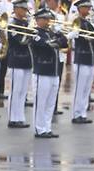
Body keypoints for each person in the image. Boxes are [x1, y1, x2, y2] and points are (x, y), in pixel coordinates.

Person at [30, 8, 67, 138]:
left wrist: (59, 33)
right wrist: (57, 40)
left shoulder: (51, 32)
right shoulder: (35, 33)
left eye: (48, 19)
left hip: (54, 71)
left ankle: (47, 127)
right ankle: (39, 129)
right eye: (44, 19)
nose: (47, 21)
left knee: (50, 102)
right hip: (42, 72)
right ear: (37, 20)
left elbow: (64, 43)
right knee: (41, 102)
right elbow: (45, 45)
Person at [67, 0, 94, 124]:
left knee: (86, 87)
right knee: (79, 87)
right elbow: (70, 36)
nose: (88, 10)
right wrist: (76, 33)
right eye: (86, 7)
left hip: (90, 58)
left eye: (89, 7)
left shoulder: (89, 21)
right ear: (80, 8)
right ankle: (76, 114)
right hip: (81, 57)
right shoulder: (76, 21)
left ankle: (82, 112)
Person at [6, 0, 31, 129]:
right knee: (15, 91)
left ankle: (20, 117)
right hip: (16, 60)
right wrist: (31, 33)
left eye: (25, 8)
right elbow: (21, 41)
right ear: (16, 9)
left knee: (22, 91)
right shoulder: (12, 24)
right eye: (22, 8)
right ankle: (12, 118)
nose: (25, 11)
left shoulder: (26, 23)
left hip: (26, 61)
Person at [46, 0, 66, 115]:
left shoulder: (61, 16)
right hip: (49, 53)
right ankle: (48, 107)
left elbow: (63, 33)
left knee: (56, 82)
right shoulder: (43, 14)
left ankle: (54, 106)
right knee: (48, 83)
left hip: (60, 53)